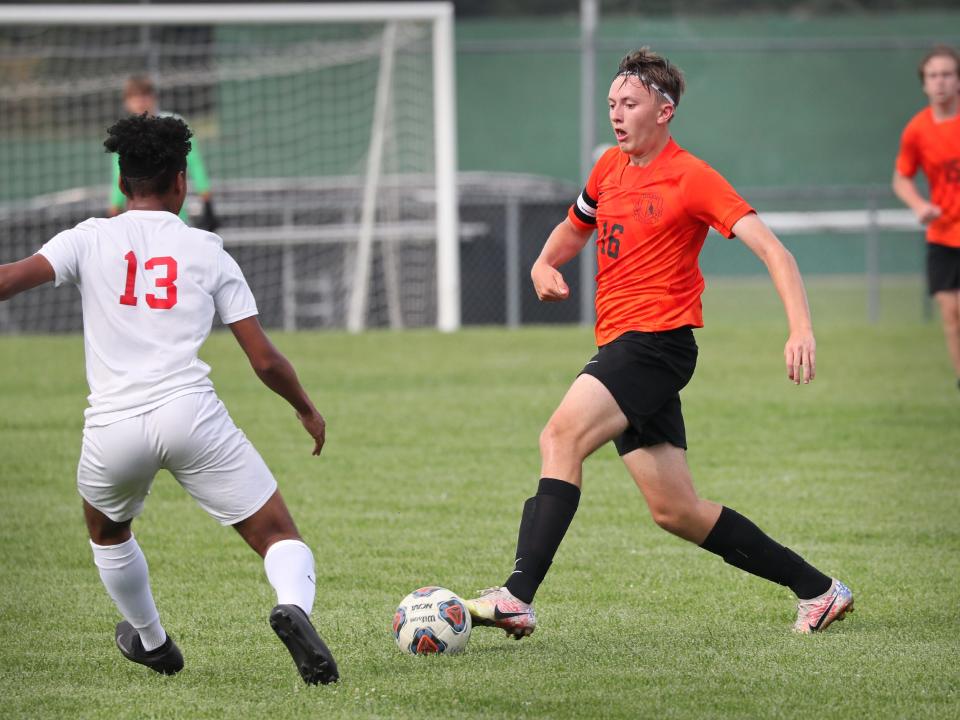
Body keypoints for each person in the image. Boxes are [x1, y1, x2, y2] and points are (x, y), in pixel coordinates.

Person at [465, 48, 853, 638]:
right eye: (612, 104)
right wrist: (544, 262)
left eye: (631, 104)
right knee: (676, 512)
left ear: (664, 111)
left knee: (559, 435)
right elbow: (575, 227)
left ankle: (518, 596)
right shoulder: (609, 171)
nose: (617, 115)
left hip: (655, 345)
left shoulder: (692, 176)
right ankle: (820, 591)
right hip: (628, 346)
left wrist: (800, 327)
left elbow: (776, 251)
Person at [0, 114, 337, 684]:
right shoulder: (207, 249)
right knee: (278, 535)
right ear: (181, 180)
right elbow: (264, 359)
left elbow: (7, 279)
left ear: (121, 178)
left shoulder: (87, 237)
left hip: (113, 427)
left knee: (107, 530)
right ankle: (292, 608)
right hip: (191, 414)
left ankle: (153, 641)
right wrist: (304, 407)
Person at [893, 45, 960, 391]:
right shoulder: (918, 129)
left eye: (947, 74)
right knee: (950, 313)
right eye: (933, 76)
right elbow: (901, 177)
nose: (941, 82)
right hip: (943, 233)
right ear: (924, 84)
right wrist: (919, 205)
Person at [109, 75, 219, 232]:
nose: (140, 101)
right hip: (138, 221)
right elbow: (118, 175)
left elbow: (194, 163)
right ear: (126, 102)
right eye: (134, 97)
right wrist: (113, 209)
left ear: (154, 97)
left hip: (174, 217)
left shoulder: (174, 125)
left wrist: (207, 199)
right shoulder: (125, 133)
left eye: (144, 95)